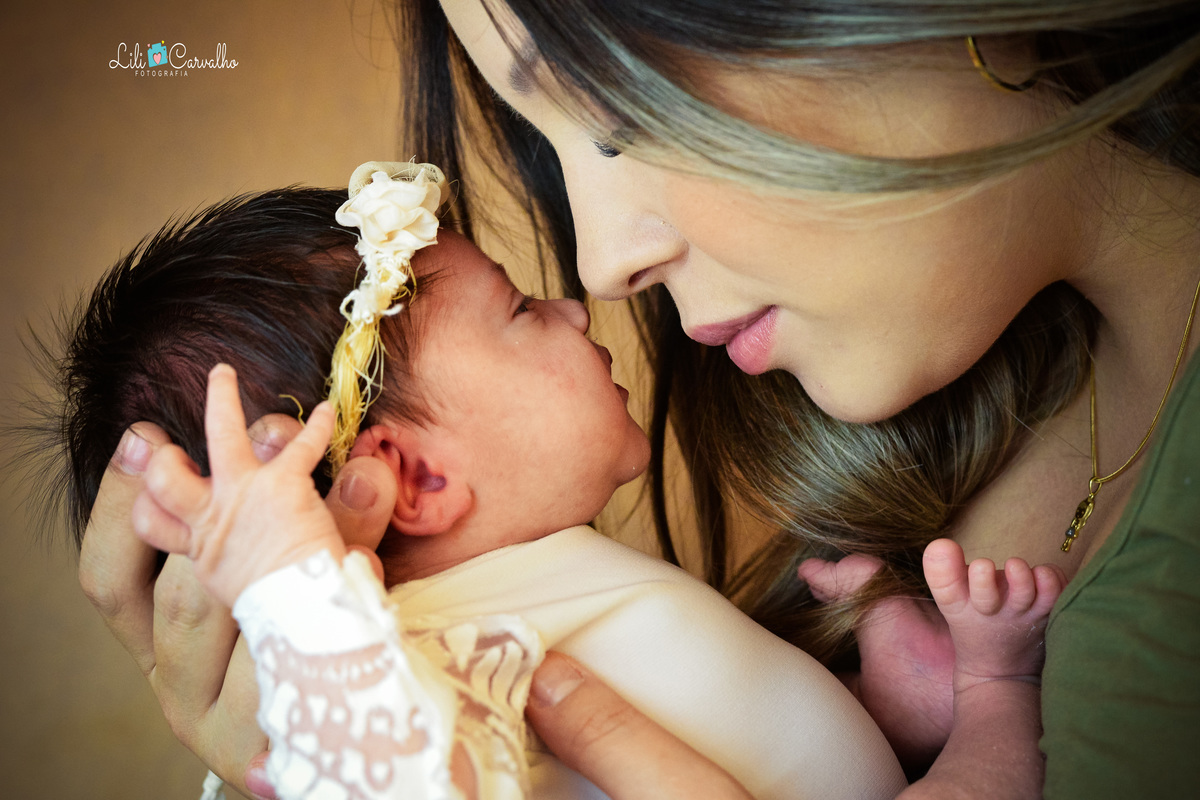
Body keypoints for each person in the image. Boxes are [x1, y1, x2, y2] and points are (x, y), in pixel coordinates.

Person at [78, 1, 1200, 797]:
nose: (599, 266)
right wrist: (296, 620)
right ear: (410, 474)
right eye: (554, 147)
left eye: (621, 115)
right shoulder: (441, 653)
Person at [51, 169, 906, 799]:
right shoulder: (412, 663)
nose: (577, 307)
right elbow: (389, 778)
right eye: (522, 310)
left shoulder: (535, 594)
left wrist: (898, 711)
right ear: (416, 478)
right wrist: (295, 597)